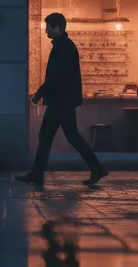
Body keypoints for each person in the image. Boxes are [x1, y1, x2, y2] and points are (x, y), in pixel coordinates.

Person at [16, 12, 108, 187]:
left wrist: (39, 93)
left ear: (57, 27)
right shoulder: (65, 46)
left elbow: (56, 77)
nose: (46, 30)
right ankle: (96, 168)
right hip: (63, 101)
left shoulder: (62, 48)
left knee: (50, 136)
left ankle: (38, 174)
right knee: (66, 136)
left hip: (60, 101)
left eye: (48, 27)